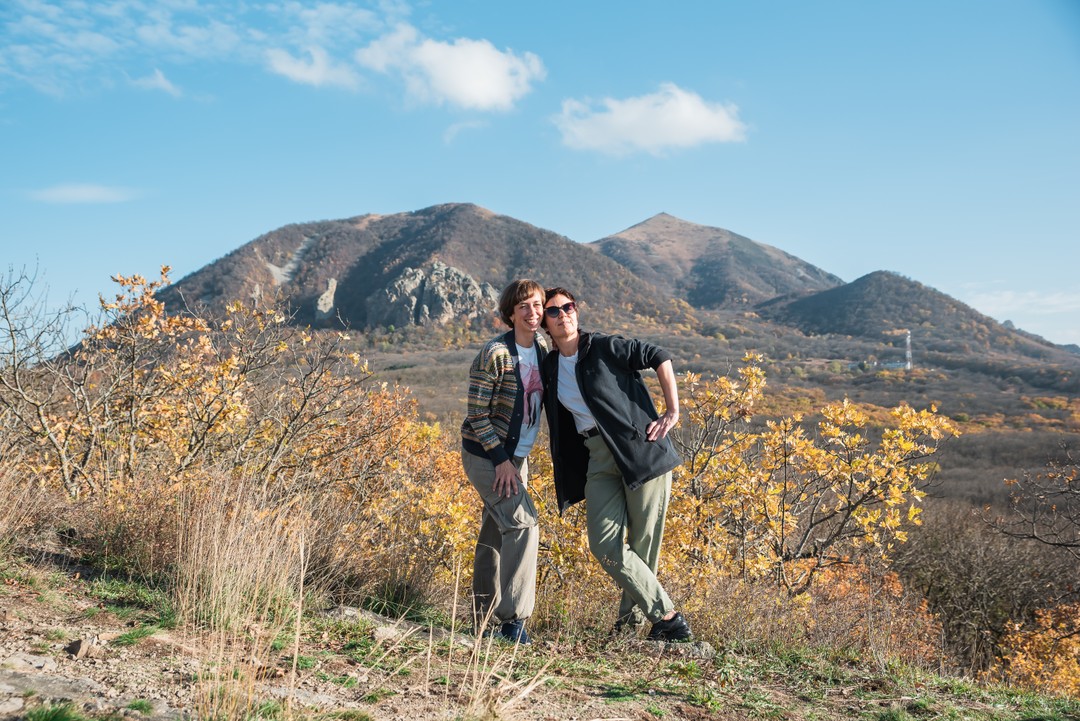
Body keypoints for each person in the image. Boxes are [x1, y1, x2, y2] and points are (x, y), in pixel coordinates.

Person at [540, 286, 691, 642]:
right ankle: (665, 615)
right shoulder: (549, 365)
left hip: (641, 452)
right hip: (598, 458)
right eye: (554, 311)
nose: (564, 315)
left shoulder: (603, 347)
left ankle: (633, 626)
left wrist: (673, 410)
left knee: (643, 544)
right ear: (546, 324)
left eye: (569, 307)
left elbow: (659, 355)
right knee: (604, 545)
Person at [460, 279, 548, 644]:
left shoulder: (543, 348)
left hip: (517, 457)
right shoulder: (495, 353)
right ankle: (512, 622)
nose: (533, 312)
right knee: (524, 525)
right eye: (524, 306)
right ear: (510, 313)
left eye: (538, 305)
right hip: (487, 455)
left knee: (495, 531)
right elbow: (477, 414)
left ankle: (481, 620)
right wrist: (501, 461)